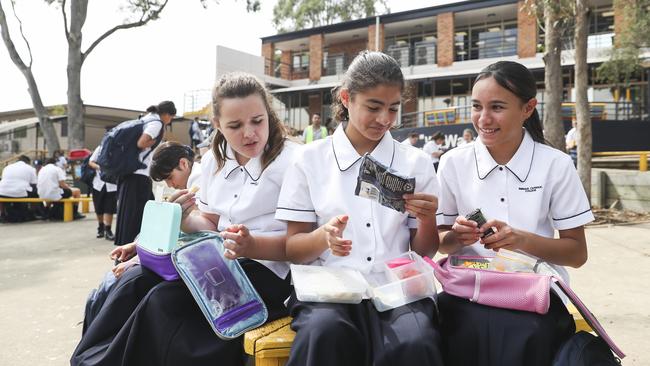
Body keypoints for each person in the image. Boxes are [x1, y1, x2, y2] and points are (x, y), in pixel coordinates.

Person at [72, 73, 297, 366]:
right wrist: (185, 217)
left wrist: (250, 245)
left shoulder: (293, 161)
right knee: (132, 283)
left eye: (257, 121)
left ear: (268, 113)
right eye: (235, 125)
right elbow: (210, 225)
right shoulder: (215, 162)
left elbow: (301, 243)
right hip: (219, 262)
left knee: (163, 302)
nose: (249, 133)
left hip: (266, 271)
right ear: (217, 124)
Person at [275, 51, 443, 366]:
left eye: (394, 108)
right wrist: (322, 238)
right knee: (324, 333)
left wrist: (428, 219)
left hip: (397, 287)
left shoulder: (416, 162)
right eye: (373, 107)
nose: (385, 119)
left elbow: (424, 251)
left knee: (415, 341)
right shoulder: (309, 160)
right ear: (346, 99)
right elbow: (294, 249)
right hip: (328, 287)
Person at [435, 61, 593, 366]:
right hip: (469, 288)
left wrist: (520, 239)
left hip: (536, 293)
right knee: (448, 327)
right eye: (476, 106)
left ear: (528, 108)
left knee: (524, 332)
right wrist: (456, 237)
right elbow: (442, 241)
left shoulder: (555, 164)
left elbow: (577, 253)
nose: (484, 119)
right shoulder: (453, 163)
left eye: (497, 107)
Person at [113, 100, 176, 246]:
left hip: (130, 173)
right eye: (171, 117)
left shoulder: (145, 118)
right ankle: (132, 248)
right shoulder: (156, 123)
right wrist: (155, 143)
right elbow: (142, 142)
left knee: (132, 213)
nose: (170, 121)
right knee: (139, 215)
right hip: (138, 175)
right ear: (166, 114)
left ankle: (128, 246)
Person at [88, 146, 117, 240]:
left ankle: (108, 229)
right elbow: (91, 162)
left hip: (112, 184)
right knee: (98, 207)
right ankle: (101, 227)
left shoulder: (119, 148)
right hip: (98, 183)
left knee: (110, 208)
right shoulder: (100, 148)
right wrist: (100, 167)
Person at [0, 155, 40, 222]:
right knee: (35, 192)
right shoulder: (30, 168)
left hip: (2, 191)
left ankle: (2, 214)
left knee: (3, 194)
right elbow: (34, 183)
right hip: (20, 193)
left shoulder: (7, 167)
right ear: (28, 162)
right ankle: (32, 213)